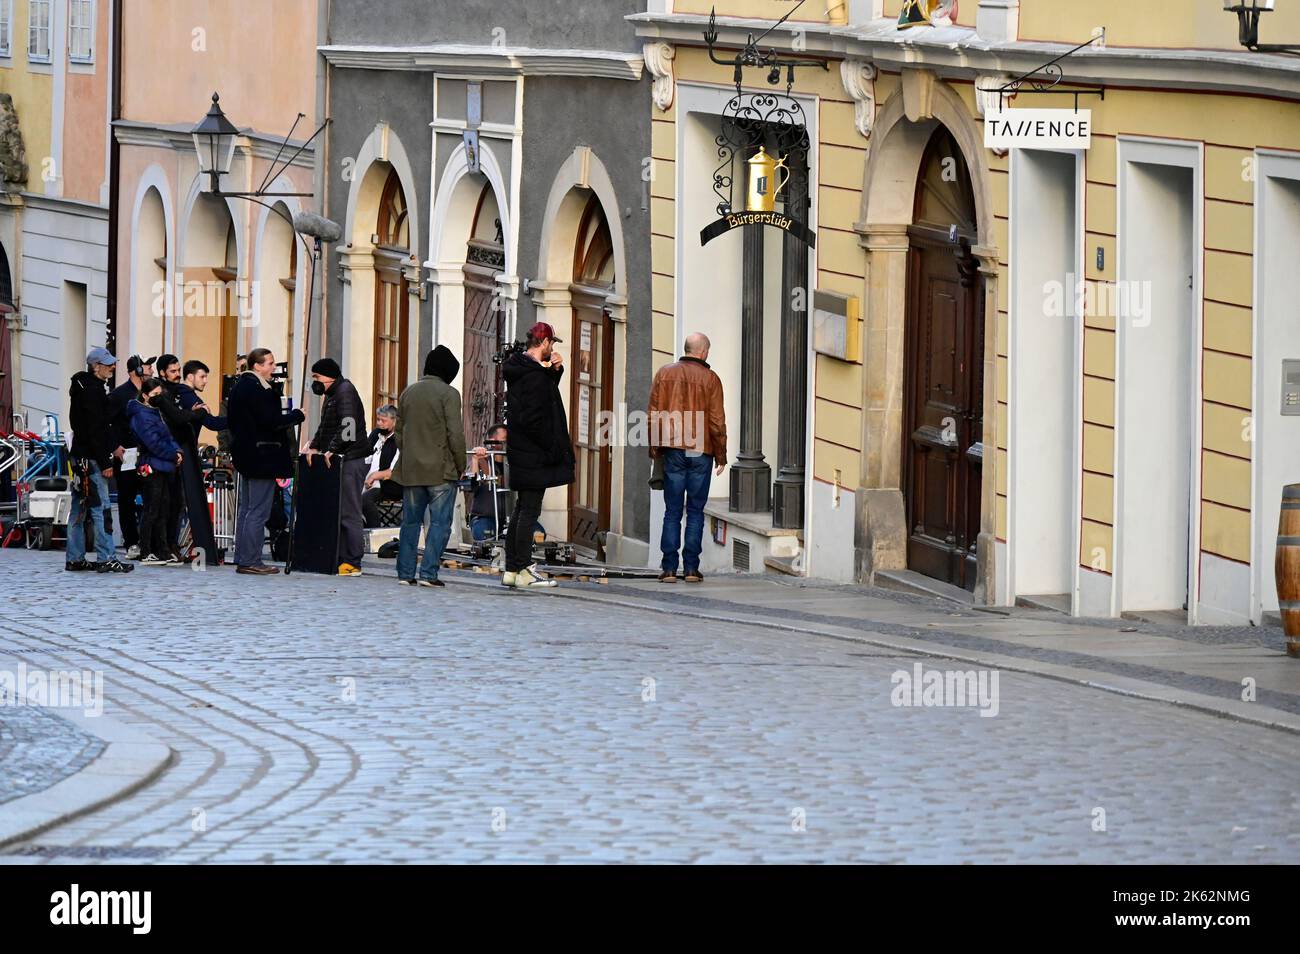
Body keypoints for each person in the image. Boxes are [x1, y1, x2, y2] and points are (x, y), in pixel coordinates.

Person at [648, 332, 727, 584]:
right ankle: (691, 568)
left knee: (672, 510)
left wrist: (655, 448)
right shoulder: (711, 379)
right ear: (703, 352)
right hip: (700, 449)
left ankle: (669, 568)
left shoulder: (664, 373)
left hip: (672, 448)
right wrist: (721, 455)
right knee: (695, 511)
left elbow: (653, 413)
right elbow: (716, 421)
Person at [501, 322, 575, 591]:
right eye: (551, 344)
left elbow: (541, 398)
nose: (552, 349)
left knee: (521, 509)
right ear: (543, 343)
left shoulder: (524, 370)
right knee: (528, 511)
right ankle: (522, 569)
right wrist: (553, 449)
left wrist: (554, 372)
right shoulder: (532, 376)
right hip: (534, 455)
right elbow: (536, 418)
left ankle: (511, 568)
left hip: (522, 452)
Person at [392, 346, 466, 588]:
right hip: (440, 469)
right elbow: (455, 434)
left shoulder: (408, 393)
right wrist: (461, 463)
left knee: (410, 523)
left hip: (412, 469)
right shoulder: (449, 394)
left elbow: (399, 433)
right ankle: (429, 573)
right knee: (439, 523)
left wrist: (410, 453)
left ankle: (405, 573)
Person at [227, 348, 305, 575]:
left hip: (247, 456)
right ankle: (251, 559)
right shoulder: (256, 389)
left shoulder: (240, 386)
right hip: (262, 456)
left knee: (247, 509)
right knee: (258, 511)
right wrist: (296, 415)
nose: (273, 367)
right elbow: (271, 421)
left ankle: (243, 556)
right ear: (257, 366)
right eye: (270, 363)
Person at [66, 348, 134, 573]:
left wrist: (113, 446)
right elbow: (96, 430)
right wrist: (106, 462)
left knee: (78, 509)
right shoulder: (92, 391)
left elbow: (94, 427)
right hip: (92, 459)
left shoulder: (83, 387)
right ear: (96, 366)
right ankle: (106, 557)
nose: (113, 367)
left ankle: (75, 558)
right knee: (101, 508)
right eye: (108, 364)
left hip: (79, 457)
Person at [304, 357, 369, 577]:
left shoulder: (344, 392)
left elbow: (348, 427)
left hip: (350, 459)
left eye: (317, 377)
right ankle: (340, 557)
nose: (315, 381)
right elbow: (326, 426)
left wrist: (332, 449)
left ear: (329, 377)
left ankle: (353, 561)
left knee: (349, 511)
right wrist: (313, 445)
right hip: (342, 457)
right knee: (339, 510)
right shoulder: (333, 394)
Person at [153, 355, 209, 561]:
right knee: (164, 504)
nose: (178, 375)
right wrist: (195, 414)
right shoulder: (161, 393)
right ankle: (160, 547)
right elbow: (176, 417)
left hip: (175, 453)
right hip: (164, 454)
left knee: (176, 503)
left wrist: (190, 413)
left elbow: (179, 415)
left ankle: (171, 545)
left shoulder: (177, 391)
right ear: (162, 373)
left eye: (178, 370)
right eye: (173, 371)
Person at [126, 377, 185, 566]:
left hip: (164, 464)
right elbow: (152, 442)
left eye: (161, 394)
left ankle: (162, 550)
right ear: (145, 396)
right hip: (152, 465)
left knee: (164, 508)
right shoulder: (142, 415)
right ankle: (146, 550)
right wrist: (173, 454)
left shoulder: (156, 412)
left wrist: (177, 450)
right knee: (152, 509)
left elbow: (168, 436)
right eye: (155, 395)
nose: (159, 398)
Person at [176, 359, 229, 563]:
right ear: (190, 376)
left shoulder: (187, 395)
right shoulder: (187, 395)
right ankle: (177, 546)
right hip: (184, 453)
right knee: (181, 502)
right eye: (202, 376)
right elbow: (212, 423)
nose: (205, 381)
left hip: (185, 451)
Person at [106, 353, 155, 559]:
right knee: (126, 498)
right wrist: (114, 446)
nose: (151, 370)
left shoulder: (150, 393)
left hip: (146, 453)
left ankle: (149, 541)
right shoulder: (118, 395)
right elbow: (104, 423)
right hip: (126, 453)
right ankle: (131, 542)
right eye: (147, 367)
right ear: (137, 370)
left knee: (151, 496)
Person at [362, 406, 402, 528]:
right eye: (378, 420)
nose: (379, 423)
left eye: (383, 421)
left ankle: (374, 532)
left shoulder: (399, 440)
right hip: (368, 481)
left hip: (389, 484)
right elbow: (364, 454)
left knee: (365, 500)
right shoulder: (375, 434)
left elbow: (393, 471)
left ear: (394, 421)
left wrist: (374, 476)